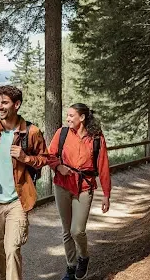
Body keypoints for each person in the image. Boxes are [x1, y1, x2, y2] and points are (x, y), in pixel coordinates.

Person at [0, 85, 48, 280]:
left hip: (17, 202)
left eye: (4, 102)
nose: (0, 106)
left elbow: (44, 159)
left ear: (17, 104)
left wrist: (25, 158)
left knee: (12, 249)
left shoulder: (31, 132)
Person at [47, 103, 112, 280]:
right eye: (67, 116)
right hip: (62, 185)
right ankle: (71, 266)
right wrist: (58, 166)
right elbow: (50, 155)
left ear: (82, 118)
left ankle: (83, 256)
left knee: (77, 230)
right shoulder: (62, 133)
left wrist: (106, 194)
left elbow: (103, 166)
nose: (67, 119)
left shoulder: (96, 138)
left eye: (71, 116)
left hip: (84, 187)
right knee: (67, 230)